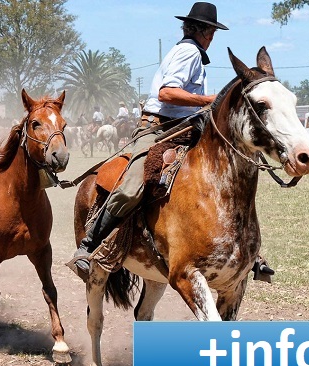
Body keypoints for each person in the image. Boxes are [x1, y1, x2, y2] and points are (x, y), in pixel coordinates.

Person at [66, 2, 279, 281]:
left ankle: (243, 251)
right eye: (211, 32)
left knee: (230, 175)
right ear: (205, 32)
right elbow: (167, 93)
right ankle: (89, 244)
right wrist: (209, 101)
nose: (212, 38)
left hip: (187, 127)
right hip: (160, 128)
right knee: (132, 185)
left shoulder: (195, 54)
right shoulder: (188, 52)